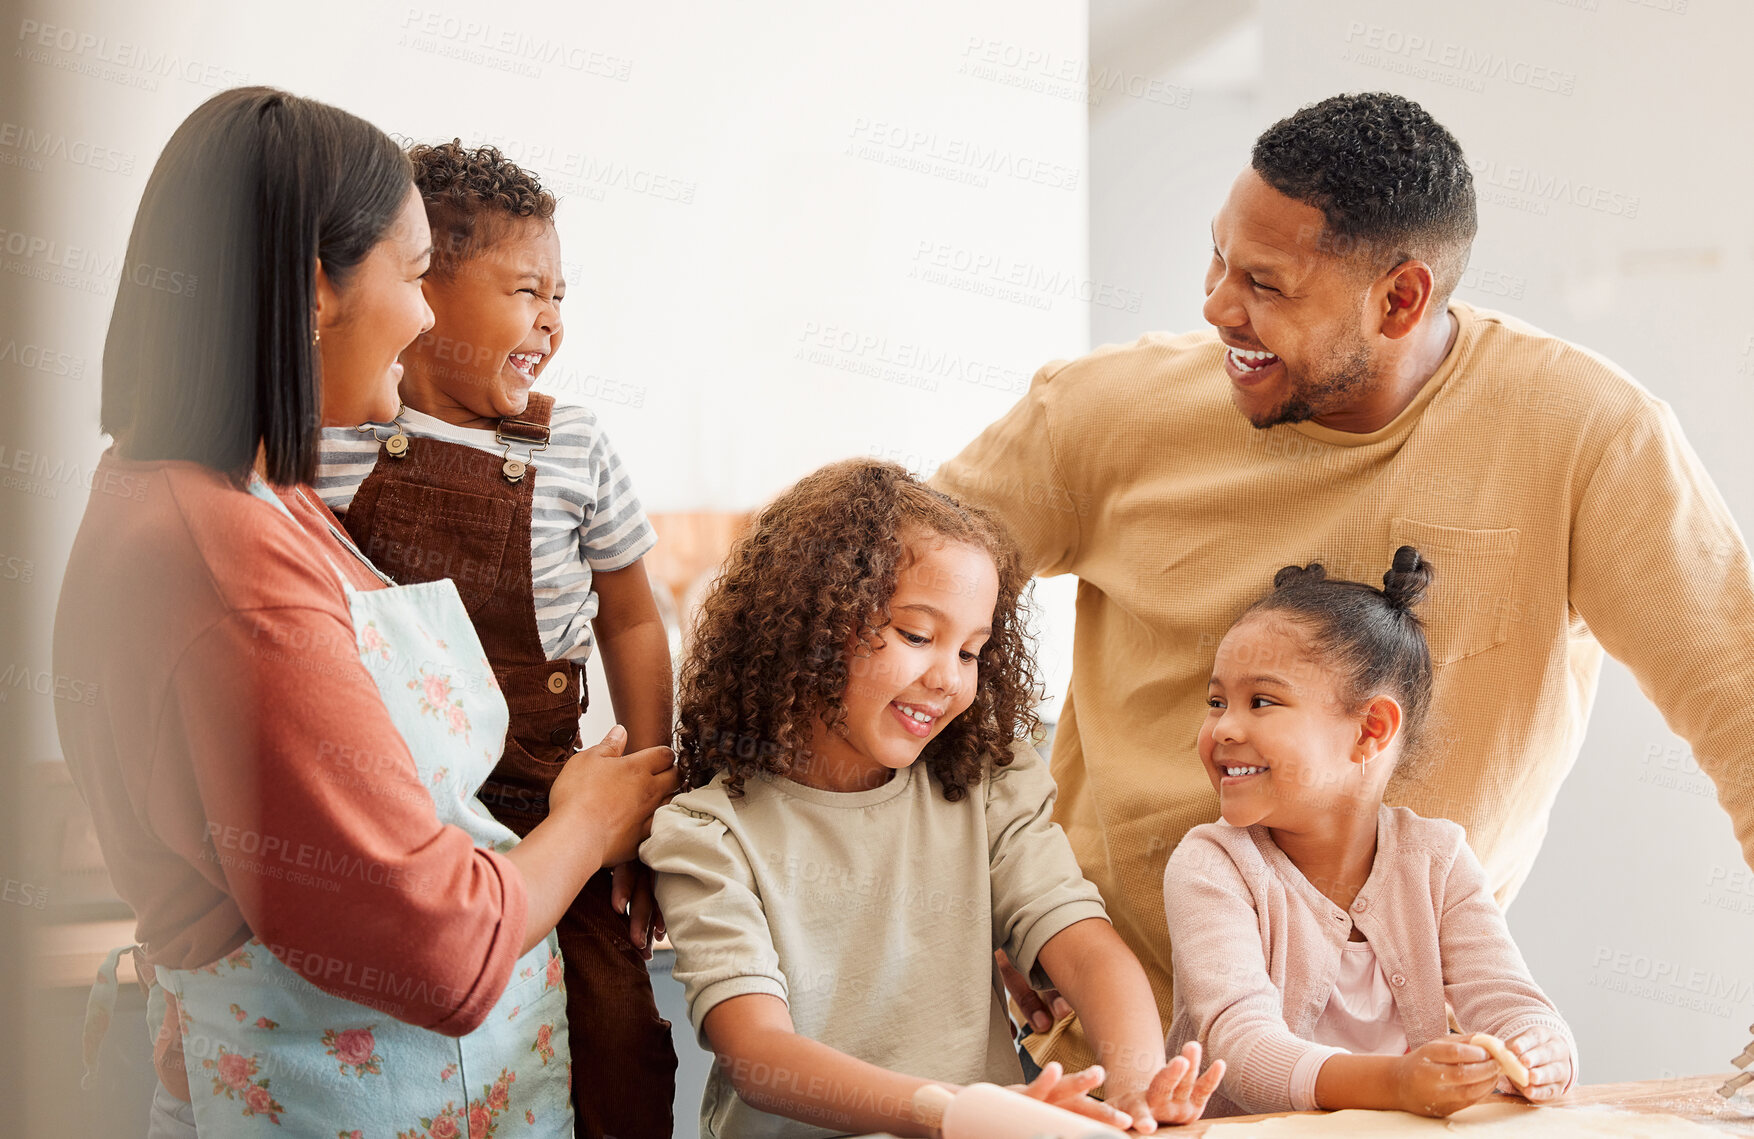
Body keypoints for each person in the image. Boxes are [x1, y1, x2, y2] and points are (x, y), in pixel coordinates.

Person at [929, 90, 1754, 1070]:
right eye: (1217, 259)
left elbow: (1738, 704)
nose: (1214, 306)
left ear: (1398, 298)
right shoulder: (1099, 412)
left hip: (1397, 1069)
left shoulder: (1586, 437)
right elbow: (877, 605)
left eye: (1266, 285)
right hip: (1102, 1052)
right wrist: (972, 879)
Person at [52, 87, 677, 1137]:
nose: (427, 313)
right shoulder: (229, 566)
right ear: (312, 295)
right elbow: (441, 949)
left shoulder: (228, 486)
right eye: (412, 271)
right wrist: (589, 820)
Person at [643, 459, 1224, 1139]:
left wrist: (1134, 1090)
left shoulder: (984, 785)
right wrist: (955, 1111)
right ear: (811, 627)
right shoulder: (709, 833)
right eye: (918, 635)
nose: (948, 678)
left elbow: (1086, 947)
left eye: (972, 651)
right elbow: (760, 1056)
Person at [315, 140, 677, 1137]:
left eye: (563, 294)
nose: (554, 320)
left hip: (550, 789)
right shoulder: (332, 435)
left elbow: (633, 614)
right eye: (527, 290)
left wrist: (650, 793)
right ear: (422, 287)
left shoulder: (575, 446)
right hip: (397, 799)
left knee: (616, 1030)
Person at [1164, 548, 1575, 1118]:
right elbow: (1243, 1050)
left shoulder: (1439, 859)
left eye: (1261, 701)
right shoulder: (1212, 864)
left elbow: (1515, 1006)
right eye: (1217, 702)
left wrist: (1540, 1053)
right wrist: (1398, 1084)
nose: (1224, 727)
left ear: (1370, 730)